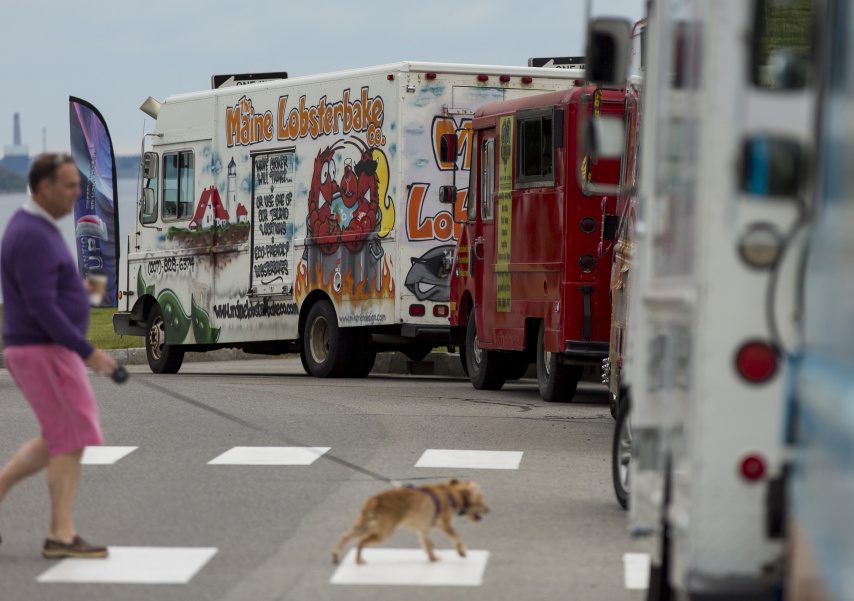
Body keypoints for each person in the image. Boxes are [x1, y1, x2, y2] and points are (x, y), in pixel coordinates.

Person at [0, 153, 117, 558]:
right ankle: (60, 535)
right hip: (43, 348)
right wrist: (90, 352)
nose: (76, 194)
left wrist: (83, 295)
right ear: (45, 187)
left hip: (43, 347)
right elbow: (40, 307)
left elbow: (51, 294)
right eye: (69, 186)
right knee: (73, 434)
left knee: (62, 435)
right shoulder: (31, 235)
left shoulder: (38, 229)